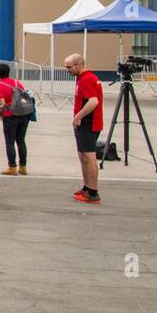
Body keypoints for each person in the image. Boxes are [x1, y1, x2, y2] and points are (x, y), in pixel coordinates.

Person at [64, 54, 103, 204]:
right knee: (83, 156)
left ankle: (93, 192)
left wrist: (78, 116)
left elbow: (93, 101)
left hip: (88, 123)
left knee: (89, 156)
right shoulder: (83, 78)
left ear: (78, 65)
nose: (67, 70)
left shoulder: (87, 79)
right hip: (85, 123)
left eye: (69, 67)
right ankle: (87, 187)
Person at [0, 62, 31, 175]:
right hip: (24, 114)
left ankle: (12, 167)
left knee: (9, 142)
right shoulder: (17, 82)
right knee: (21, 141)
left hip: (10, 116)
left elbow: (3, 104)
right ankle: (23, 167)